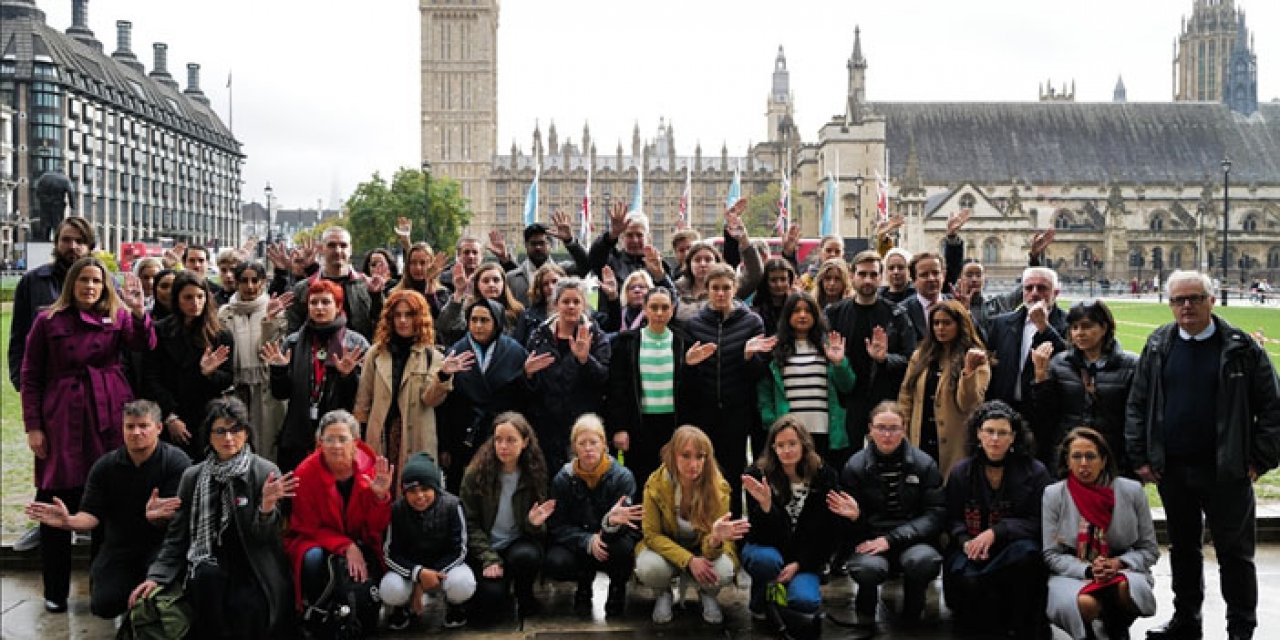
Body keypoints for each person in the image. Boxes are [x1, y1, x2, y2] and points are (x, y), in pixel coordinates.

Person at [1126, 270, 1280, 640]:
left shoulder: (1242, 347)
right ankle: (1186, 620)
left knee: (1235, 555)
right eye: (1179, 300)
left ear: (1212, 300)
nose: (1187, 306)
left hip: (1227, 470)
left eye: (1195, 298)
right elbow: (1138, 402)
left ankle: (1241, 627)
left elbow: (1273, 408)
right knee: (1183, 550)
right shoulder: (1159, 343)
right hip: (1173, 469)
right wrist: (1141, 456)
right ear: (1170, 305)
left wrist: (1259, 459)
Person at [20, 257, 153, 612]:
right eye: (84, 280)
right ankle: (55, 590)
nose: (90, 287)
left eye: (97, 280)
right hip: (61, 417)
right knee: (55, 500)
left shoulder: (118, 314)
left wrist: (140, 312)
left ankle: (103, 585)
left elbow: (142, 344)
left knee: (107, 503)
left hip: (107, 413)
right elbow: (31, 375)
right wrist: (34, 426)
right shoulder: (47, 320)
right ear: (72, 285)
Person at [129, 397, 296, 640]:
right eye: (220, 431)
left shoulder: (264, 472)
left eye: (235, 430)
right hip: (207, 557)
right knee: (205, 583)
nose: (228, 438)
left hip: (253, 562)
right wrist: (157, 576)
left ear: (246, 434)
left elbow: (267, 541)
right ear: (209, 436)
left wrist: (266, 508)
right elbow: (178, 536)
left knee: (248, 606)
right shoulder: (193, 476)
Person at [25, 400, 191, 619]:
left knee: (157, 604)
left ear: (159, 428)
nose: (136, 432)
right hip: (120, 547)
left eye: (144, 426)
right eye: (130, 426)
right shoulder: (105, 466)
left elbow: (179, 517)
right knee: (104, 605)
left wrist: (156, 518)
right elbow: (91, 514)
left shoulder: (177, 463)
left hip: (162, 547)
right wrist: (70, 522)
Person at [943, 400, 1052, 637]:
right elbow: (951, 518)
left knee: (1027, 558)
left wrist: (997, 532)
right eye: (989, 431)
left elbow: (1040, 520)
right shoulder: (962, 472)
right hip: (970, 547)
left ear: (1013, 437)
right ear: (978, 434)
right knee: (967, 579)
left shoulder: (1036, 472)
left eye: (1002, 433)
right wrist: (965, 541)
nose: (995, 439)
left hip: (1014, 548)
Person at [1044, 427, 1159, 640]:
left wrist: (1117, 563)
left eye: (1091, 456)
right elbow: (1051, 555)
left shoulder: (1132, 491)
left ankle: (1116, 628)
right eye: (1076, 456)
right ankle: (1089, 633)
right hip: (1073, 572)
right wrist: (1089, 570)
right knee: (1085, 604)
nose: (1084, 463)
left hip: (1122, 569)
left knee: (1125, 589)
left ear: (1104, 460)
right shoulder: (1054, 495)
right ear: (1067, 461)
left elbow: (1150, 550)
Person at [838, 401, 945, 631]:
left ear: (904, 429)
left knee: (924, 562)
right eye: (881, 427)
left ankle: (913, 609)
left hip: (912, 540)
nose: (887, 434)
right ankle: (865, 610)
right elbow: (845, 529)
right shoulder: (854, 467)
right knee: (867, 569)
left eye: (894, 428)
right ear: (870, 429)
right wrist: (856, 518)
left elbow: (935, 514)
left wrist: (892, 539)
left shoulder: (924, 464)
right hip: (870, 540)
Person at [285, 409, 394, 634]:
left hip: (360, 538)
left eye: (343, 439)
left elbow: (376, 526)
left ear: (355, 442)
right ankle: (318, 609)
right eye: (329, 439)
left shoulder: (370, 468)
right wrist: (345, 545)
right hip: (315, 538)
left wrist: (379, 498)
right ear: (320, 443)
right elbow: (306, 526)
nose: (336, 446)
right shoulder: (305, 473)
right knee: (312, 558)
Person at [635, 425, 747, 625]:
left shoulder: (719, 488)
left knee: (724, 570)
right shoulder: (655, 484)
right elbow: (651, 535)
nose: (693, 464)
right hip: (667, 550)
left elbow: (713, 548)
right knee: (649, 568)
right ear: (672, 455)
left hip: (703, 550)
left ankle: (708, 593)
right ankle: (663, 592)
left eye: (700, 456)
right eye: (685, 456)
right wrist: (688, 560)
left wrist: (715, 540)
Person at [355, 288, 471, 480]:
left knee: (412, 488)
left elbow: (430, 399)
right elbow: (363, 401)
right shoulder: (375, 353)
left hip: (416, 433)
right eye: (397, 315)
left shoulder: (432, 355)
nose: (402, 320)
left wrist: (443, 375)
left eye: (408, 315)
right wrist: (359, 439)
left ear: (419, 318)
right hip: (381, 432)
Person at [683, 263, 770, 516]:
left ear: (735, 289)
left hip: (737, 410)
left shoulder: (752, 322)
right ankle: (703, 527)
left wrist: (748, 356)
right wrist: (690, 364)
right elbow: (687, 379)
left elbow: (759, 373)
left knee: (733, 471)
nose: (720, 293)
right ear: (707, 290)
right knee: (701, 470)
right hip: (704, 410)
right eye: (715, 288)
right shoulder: (695, 324)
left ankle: (733, 527)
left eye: (726, 288)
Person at [740, 416, 841, 622]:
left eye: (792, 444)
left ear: (804, 444)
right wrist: (766, 507)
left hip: (804, 555)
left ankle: (785, 596)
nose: (786, 450)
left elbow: (828, 533)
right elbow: (757, 533)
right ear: (773, 448)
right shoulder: (758, 476)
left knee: (805, 602)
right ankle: (763, 597)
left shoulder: (824, 476)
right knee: (766, 562)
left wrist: (800, 563)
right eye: (780, 445)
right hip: (769, 548)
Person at [264, 278, 371, 472]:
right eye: (313, 302)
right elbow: (280, 394)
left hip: (339, 432)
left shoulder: (355, 343)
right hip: (298, 432)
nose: (319, 308)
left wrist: (347, 376)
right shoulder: (294, 342)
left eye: (326, 302)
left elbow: (360, 398)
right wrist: (279, 370)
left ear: (338, 306)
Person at [459, 412, 555, 619]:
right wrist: (488, 557)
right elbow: (468, 522)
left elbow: (539, 529)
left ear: (525, 442)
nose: (503, 446)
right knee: (491, 601)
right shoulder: (475, 473)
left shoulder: (534, 473)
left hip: (517, 544)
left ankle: (524, 593)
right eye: (498, 440)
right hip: (485, 546)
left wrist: (533, 524)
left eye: (511, 440)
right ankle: (500, 589)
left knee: (527, 556)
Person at [546, 414, 643, 616]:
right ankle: (583, 587)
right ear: (574, 447)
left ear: (604, 444)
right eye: (582, 443)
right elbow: (558, 525)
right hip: (581, 538)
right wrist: (587, 540)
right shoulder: (563, 479)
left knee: (624, 547)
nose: (588, 448)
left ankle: (617, 589)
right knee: (557, 560)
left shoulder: (622, 477)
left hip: (613, 537)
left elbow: (630, 522)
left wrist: (608, 528)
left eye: (593, 442)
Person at [1031, 299, 1138, 477]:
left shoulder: (1130, 365)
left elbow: (1135, 416)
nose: (1079, 333)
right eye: (1074, 328)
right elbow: (1046, 413)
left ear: (1104, 328)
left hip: (1112, 457)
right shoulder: (1060, 363)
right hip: (1070, 456)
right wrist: (1041, 378)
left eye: (1086, 326)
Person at [606, 287, 696, 497]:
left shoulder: (684, 342)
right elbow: (617, 388)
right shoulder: (627, 342)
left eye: (664, 307)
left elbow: (692, 391)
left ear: (672, 310)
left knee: (675, 481)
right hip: (640, 424)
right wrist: (619, 427)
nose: (659, 313)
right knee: (642, 480)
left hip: (674, 424)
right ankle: (642, 528)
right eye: (654, 307)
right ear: (645, 309)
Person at [825, 250, 918, 447]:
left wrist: (885, 359)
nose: (868, 280)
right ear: (852, 276)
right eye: (862, 274)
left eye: (873, 275)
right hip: (847, 403)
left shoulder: (896, 314)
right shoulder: (834, 313)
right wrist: (837, 361)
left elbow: (910, 358)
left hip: (885, 401)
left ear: (881, 277)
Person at [757, 292, 857, 468]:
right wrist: (772, 421)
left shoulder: (829, 347)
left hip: (824, 430)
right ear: (787, 315)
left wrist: (839, 363)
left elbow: (847, 386)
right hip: (789, 433)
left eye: (808, 311)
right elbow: (764, 390)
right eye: (796, 311)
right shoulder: (775, 349)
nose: (802, 315)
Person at [439, 299, 530, 491]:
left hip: (499, 433)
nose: (478, 326)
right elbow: (445, 404)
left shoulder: (514, 352)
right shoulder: (456, 351)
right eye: (474, 320)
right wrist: (444, 445)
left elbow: (523, 399)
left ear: (496, 322)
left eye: (484, 320)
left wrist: (528, 376)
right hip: (462, 434)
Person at [144, 271, 235, 461]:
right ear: (177, 299)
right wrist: (170, 416)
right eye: (188, 297)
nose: (195, 303)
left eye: (200, 296)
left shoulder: (220, 334)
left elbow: (227, 378)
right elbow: (150, 377)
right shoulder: (160, 330)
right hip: (171, 413)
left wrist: (209, 373)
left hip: (206, 414)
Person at [524, 277, 611, 472]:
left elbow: (603, 378)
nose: (571, 306)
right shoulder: (539, 336)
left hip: (582, 423)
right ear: (556, 305)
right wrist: (528, 375)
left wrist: (585, 360)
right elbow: (529, 390)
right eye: (565, 301)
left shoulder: (596, 336)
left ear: (584, 305)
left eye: (576, 301)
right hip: (547, 425)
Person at [380, 452, 475, 630]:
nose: (420, 496)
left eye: (425, 489)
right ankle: (401, 607)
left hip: (445, 567)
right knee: (390, 588)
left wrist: (431, 575)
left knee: (462, 583)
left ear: (436, 488)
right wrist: (417, 574)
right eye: (412, 491)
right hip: (410, 569)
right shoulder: (397, 511)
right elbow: (390, 553)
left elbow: (460, 549)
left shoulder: (453, 506)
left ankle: (455, 605)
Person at [898, 300, 991, 478]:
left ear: (960, 325)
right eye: (936, 323)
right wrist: (903, 430)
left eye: (947, 323)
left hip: (955, 443)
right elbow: (906, 395)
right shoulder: (920, 355)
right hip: (921, 437)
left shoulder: (975, 357)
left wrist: (969, 372)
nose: (940, 328)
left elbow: (970, 405)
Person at [9, 216, 95, 391]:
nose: (72, 246)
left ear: (90, 246)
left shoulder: (106, 284)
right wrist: (21, 380)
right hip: (47, 383)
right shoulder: (32, 282)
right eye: (66, 240)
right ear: (55, 243)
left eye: (80, 241)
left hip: (92, 386)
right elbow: (18, 336)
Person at [217, 261, 291, 462]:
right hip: (235, 388)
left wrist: (269, 321)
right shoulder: (225, 313)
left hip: (265, 387)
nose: (249, 286)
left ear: (262, 282)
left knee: (265, 444)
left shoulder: (276, 310)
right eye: (244, 281)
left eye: (254, 280)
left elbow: (268, 352)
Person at [984, 266, 1068, 422]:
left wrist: (1044, 327)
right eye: (1029, 288)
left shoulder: (1068, 324)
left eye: (1042, 288)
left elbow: (1069, 358)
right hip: (1005, 411)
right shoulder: (1002, 323)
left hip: (1046, 413)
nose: (1034, 293)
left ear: (1055, 293)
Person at [286, 226, 385, 340]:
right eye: (331, 245)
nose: (338, 251)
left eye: (343, 245)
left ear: (350, 249)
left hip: (360, 353)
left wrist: (376, 297)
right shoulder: (303, 288)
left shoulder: (367, 286)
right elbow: (293, 334)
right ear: (321, 248)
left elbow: (381, 326)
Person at [501, 215, 590, 307]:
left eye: (542, 243)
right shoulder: (511, 278)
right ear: (526, 246)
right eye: (533, 243)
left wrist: (569, 241)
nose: (538, 247)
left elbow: (586, 265)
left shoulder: (563, 272)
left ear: (550, 245)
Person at [587, 204, 670, 285]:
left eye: (639, 235)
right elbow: (594, 258)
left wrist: (660, 277)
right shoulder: (612, 262)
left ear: (648, 238)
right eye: (629, 235)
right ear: (622, 237)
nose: (635, 240)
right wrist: (612, 234)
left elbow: (672, 295)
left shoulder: (659, 266)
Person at [515, 262, 566, 345]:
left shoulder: (577, 310)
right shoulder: (528, 316)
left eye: (555, 281)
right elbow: (518, 346)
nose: (551, 287)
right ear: (540, 289)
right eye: (545, 284)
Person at [751, 258, 798, 337]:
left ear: (789, 281)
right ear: (765, 282)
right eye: (773, 280)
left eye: (783, 279)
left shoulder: (796, 306)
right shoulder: (756, 311)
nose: (779, 284)